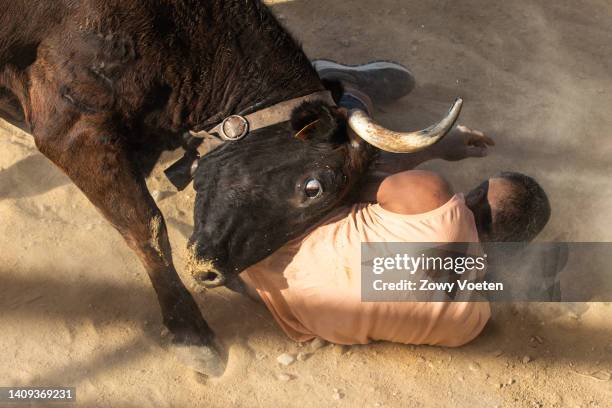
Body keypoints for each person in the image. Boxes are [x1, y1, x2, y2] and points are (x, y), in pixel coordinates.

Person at [238, 60, 551, 347]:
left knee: (354, 146)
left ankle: (349, 88)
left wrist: (439, 146)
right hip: (271, 299)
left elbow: (356, 175)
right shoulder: (469, 322)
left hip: (251, 227)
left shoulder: (434, 200)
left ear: (476, 196)